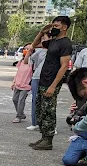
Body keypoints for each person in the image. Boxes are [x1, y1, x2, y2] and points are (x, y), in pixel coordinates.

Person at [29, 16, 73, 150]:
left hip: (51, 83)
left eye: (57, 26)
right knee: (41, 110)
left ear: (64, 27)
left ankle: (48, 140)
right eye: (53, 25)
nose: (53, 28)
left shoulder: (65, 43)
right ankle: (43, 137)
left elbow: (64, 66)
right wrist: (42, 31)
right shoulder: (53, 41)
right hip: (43, 80)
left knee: (49, 111)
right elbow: (34, 45)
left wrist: (53, 85)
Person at [63, 67, 87, 166]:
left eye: (86, 94)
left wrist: (76, 127)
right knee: (68, 160)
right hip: (83, 136)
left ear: (86, 82)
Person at [26, 35, 49, 131]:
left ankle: (49, 125)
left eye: (45, 38)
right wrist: (31, 49)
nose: (43, 40)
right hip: (37, 77)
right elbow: (27, 61)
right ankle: (35, 122)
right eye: (42, 39)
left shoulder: (56, 51)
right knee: (35, 100)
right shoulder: (39, 52)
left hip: (49, 78)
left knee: (48, 102)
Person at [11, 44, 33, 123]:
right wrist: (14, 82)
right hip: (18, 83)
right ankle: (21, 113)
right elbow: (18, 72)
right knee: (14, 99)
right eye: (25, 49)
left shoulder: (32, 61)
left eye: (28, 49)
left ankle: (18, 116)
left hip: (26, 85)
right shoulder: (21, 61)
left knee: (21, 100)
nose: (26, 50)